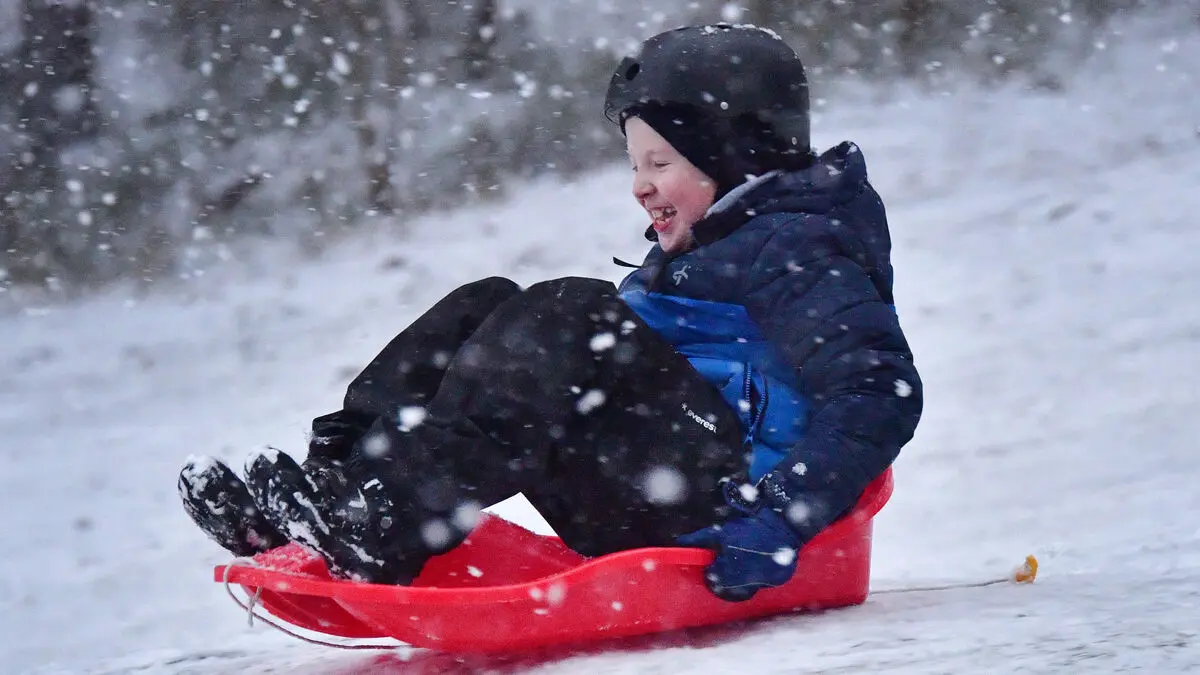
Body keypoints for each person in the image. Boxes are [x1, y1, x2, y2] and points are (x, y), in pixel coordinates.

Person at [178, 23, 922, 602]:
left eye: (659, 162)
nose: (639, 185)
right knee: (487, 302)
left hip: (727, 509)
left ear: (733, 156)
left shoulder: (796, 247)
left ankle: (384, 514)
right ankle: (332, 493)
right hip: (651, 486)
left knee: (575, 310)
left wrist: (777, 516)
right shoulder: (702, 249)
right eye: (634, 164)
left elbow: (878, 390)